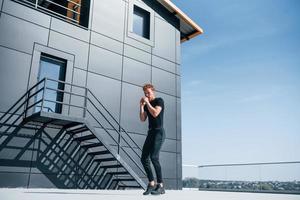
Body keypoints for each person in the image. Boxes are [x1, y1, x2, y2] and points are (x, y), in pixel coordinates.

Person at [139, 83, 166, 195]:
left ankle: (160, 185)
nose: (147, 95)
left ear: (153, 91)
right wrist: (141, 106)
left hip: (159, 132)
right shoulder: (146, 105)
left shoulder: (159, 100)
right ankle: (151, 183)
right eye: (145, 93)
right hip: (150, 133)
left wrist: (148, 103)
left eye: (148, 93)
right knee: (144, 158)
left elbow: (155, 113)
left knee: (154, 157)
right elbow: (142, 119)